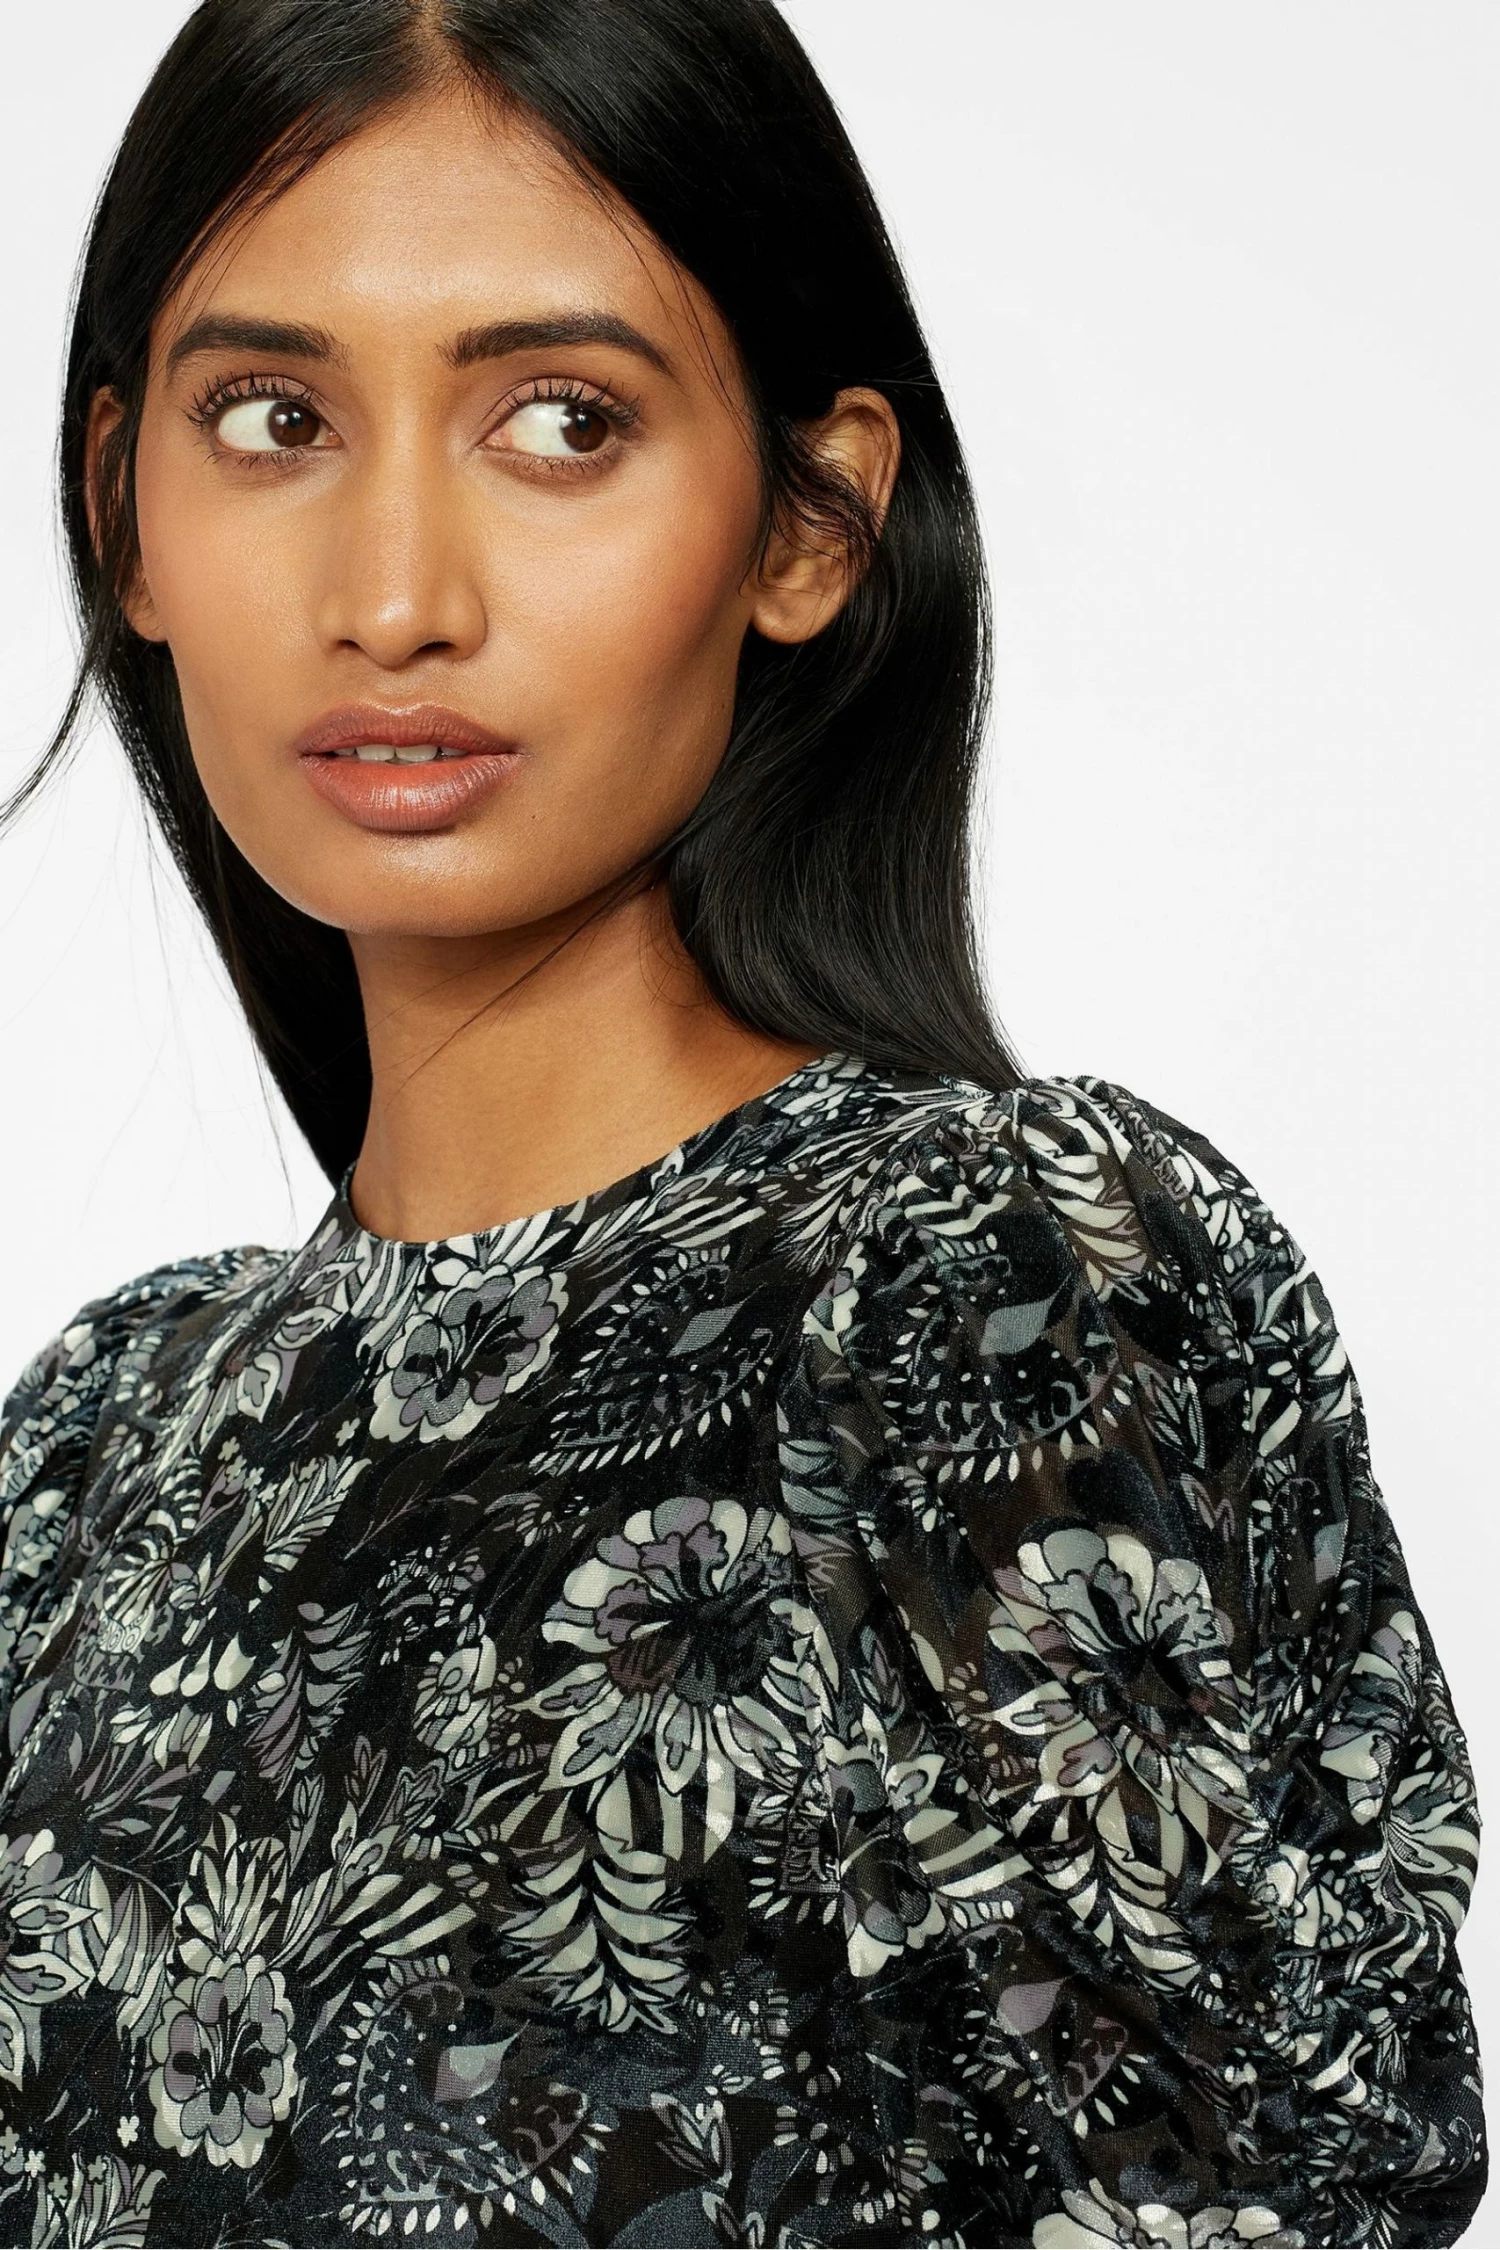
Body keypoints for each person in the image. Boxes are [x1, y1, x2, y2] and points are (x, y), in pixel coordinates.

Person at [0, 2, 1483, 2243]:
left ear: (810, 521)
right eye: (275, 420)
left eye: (561, 422)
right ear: (127, 507)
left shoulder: (972, 1272)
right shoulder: (97, 1441)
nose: (393, 598)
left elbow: (1272, 2181)